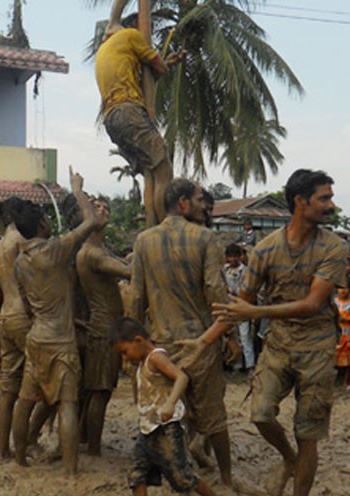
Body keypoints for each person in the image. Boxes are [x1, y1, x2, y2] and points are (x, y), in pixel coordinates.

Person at [212, 169, 349, 496]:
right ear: (300, 202)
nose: (331, 204)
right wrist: (205, 341)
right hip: (278, 344)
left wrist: (255, 313)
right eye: (324, 198)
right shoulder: (265, 249)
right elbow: (239, 306)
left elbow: (314, 304)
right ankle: (288, 459)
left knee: (308, 433)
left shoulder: (334, 247)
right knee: (260, 414)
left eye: (330, 197)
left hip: (317, 346)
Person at [129, 178, 237, 489]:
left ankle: (176, 471)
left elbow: (136, 297)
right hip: (201, 343)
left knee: (168, 416)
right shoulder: (205, 239)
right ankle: (226, 480)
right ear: (184, 203)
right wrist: (228, 336)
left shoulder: (143, 241)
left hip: (160, 345)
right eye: (200, 199)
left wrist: (137, 351)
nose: (205, 205)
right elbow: (218, 295)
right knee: (214, 418)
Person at [11, 167, 107, 474]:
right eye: (47, 220)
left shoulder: (20, 261)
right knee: (67, 404)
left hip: (36, 337)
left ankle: (20, 459)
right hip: (61, 341)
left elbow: (28, 304)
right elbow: (90, 222)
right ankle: (69, 470)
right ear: (41, 225)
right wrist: (77, 189)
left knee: (25, 401)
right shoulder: (54, 249)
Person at [95, 1, 185, 226]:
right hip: (128, 111)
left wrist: (165, 64)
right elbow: (158, 66)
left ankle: (154, 226)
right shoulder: (132, 35)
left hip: (112, 119)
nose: (149, 37)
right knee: (163, 167)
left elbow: (151, 76)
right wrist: (164, 65)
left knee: (151, 172)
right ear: (135, 25)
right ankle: (168, 227)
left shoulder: (110, 48)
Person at [110, 317, 216, 496]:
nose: (125, 358)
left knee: (183, 477)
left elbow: (182, 377)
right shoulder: (144, 361)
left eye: (125, 352)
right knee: (137, 475)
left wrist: (170, 403)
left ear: (138, 341)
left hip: (167, 428)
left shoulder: (156, 358)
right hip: (148, 429)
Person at [76, 196, 131, 456]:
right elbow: (129, 272)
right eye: (96, 208)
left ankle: (85, 439)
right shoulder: (92, 253)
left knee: (97, 391)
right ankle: (94, 449)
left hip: (103, 327)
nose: (104, 210)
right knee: (100, 390)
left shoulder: (98, 249)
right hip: (103, 329)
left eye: (106, 206)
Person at [0, 197, 30, 459]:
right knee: (32, 387)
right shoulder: (22, 243)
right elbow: (29, 285)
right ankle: (26, 448)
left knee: (8, 391)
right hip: (24, 317)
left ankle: (4, 451)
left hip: (4, 318)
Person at [223, 243, 254, 372]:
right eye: (230, 257)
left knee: (245, 336)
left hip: (242, 306)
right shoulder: (224, 270)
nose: (233, 259)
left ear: (240, 257)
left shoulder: (246, 271)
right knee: (233, 336)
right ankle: (237, 365)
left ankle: (250, 365)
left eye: (236, 256)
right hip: (229, 306)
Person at [334, 286, 350, 386]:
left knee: (348, 356)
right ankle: (335, 378)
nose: (343, 290)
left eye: (346, 288)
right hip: (336, 332)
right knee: (334, 355)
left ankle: (346, 379)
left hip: (348, 332)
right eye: (341, 288)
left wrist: (345, 318)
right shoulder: (333, 302)